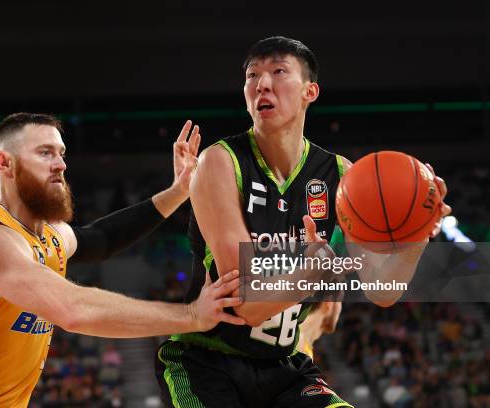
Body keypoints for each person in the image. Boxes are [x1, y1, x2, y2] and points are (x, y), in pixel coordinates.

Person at [155, 36, 450, 407]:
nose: (262, 83)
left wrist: (419, 234)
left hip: (284, 367)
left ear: (310, 91)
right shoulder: (219, 162)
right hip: (207, 362)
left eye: (278, 71)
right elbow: (245, 304)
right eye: (252, 75)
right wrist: (310, 274)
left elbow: (382, 289)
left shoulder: (342, 175)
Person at [0, 113, 245, 408]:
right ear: (4, 162)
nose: (61, 164)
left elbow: (102, 238)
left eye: (62, 153)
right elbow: (73, 310)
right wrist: (190, 315)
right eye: (45, 153)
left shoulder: (50, 235)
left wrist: (177, 193)